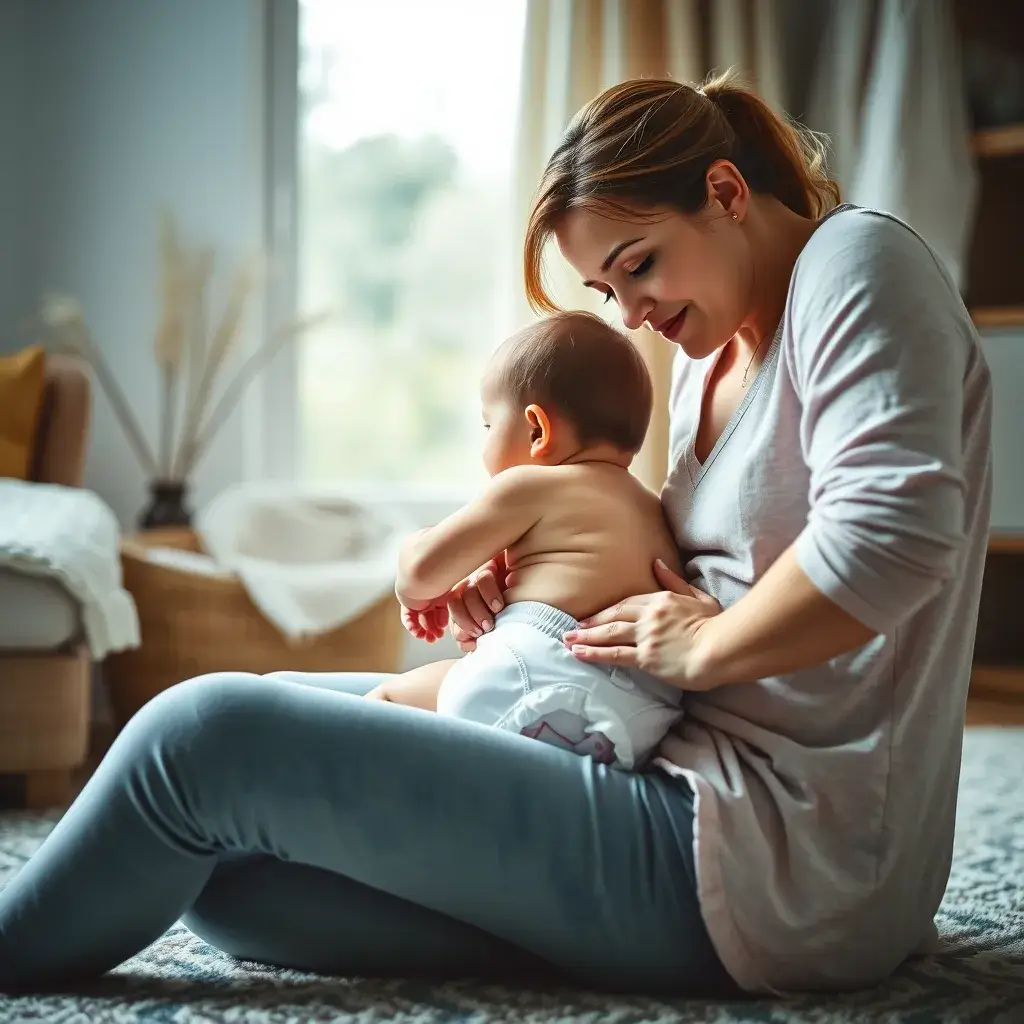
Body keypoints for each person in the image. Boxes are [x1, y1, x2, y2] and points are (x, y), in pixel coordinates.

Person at [0, 70, 991, 997]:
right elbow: (708, 569)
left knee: (203, 736)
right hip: (656, 759)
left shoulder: (856, 266)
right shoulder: (712, 347)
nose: (634, 313)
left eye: (637, 263)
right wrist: (540, 590)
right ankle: (572, 930)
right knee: (232, 871)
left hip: (768, 850)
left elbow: (893, 537)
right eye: (610, 289)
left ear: (725, 192)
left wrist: (708, 642)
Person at [373, 310, 684, 769]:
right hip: (639, 715)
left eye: (487, 425)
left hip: (531, 674)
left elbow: (420, 574)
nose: (484, 443)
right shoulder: (652, 508)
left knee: (385, 700)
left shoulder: (527, 486)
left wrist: (416, 558)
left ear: (537, 429)